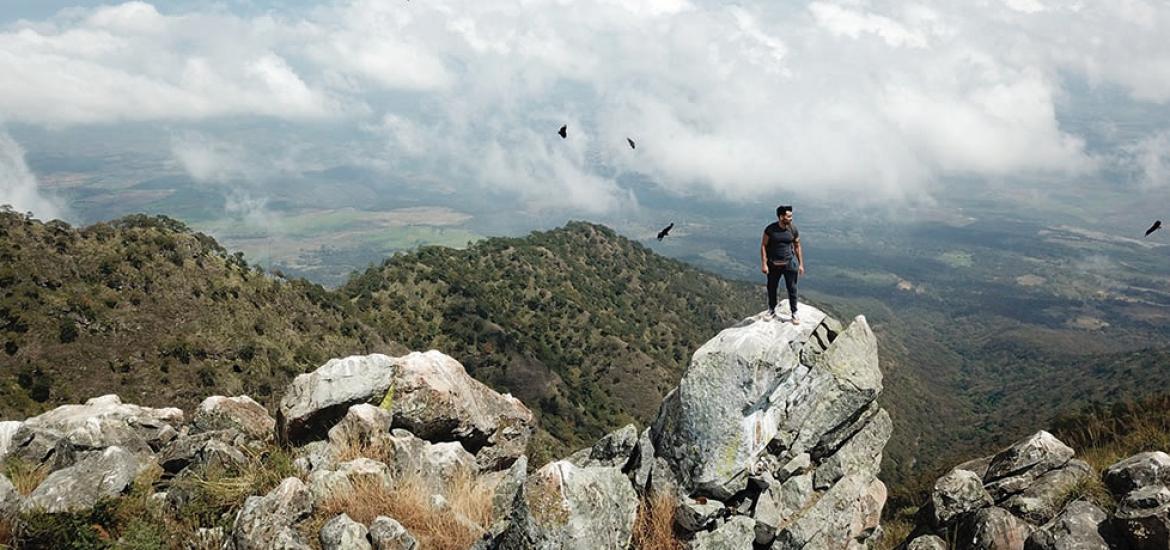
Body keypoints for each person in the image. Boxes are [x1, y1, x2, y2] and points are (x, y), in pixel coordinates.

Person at [760, 205, 805, 324]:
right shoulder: (770, 230)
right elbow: (763, 245)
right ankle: (771, 309)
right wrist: (764, 264)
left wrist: (801, 264)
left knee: (792, 288)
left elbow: (797, 246)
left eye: (791, 216)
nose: (791, 218)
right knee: (772, 288)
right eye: (788, 216)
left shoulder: (793, 229)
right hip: (773, 264)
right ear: (781, 217)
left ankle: (794, 312)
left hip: (789, 264)